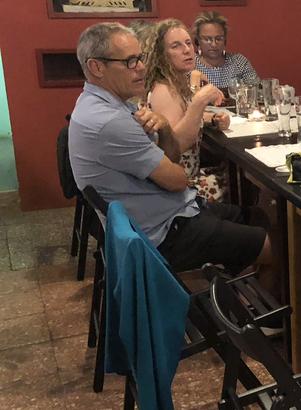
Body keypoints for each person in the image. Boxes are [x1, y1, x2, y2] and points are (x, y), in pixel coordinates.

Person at [68, 22, 274, 278]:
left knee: (257, 217)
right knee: (276, 246)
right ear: (96, 67)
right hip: (163, 233)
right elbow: (178, 179)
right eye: (130, 61)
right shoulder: (112, 122)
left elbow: (171, 157)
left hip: (165, 213)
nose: (141, 67)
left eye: (141, 58)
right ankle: (266, 313)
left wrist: (164, 128)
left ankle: (248, 296)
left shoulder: (104, 104)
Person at [143, 18, 230, 202]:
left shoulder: (175, 82)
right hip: (178, 187)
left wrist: (212, 119)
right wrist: (200, 101)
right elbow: (175, 147)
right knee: (238, 181)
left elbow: (182, 116)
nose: (186, 50)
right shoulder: (164, 90)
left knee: (232, 172)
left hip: (190, 174)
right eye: (176, 46)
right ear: (162, 55)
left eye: (188, 43)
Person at [192, 11, 259, 90]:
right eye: (207, 39)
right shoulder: (189, 65)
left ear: (225, 40)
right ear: (198, 40)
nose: (213, 44)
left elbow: (256, 90)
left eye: (219, 39)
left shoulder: (239, 62)